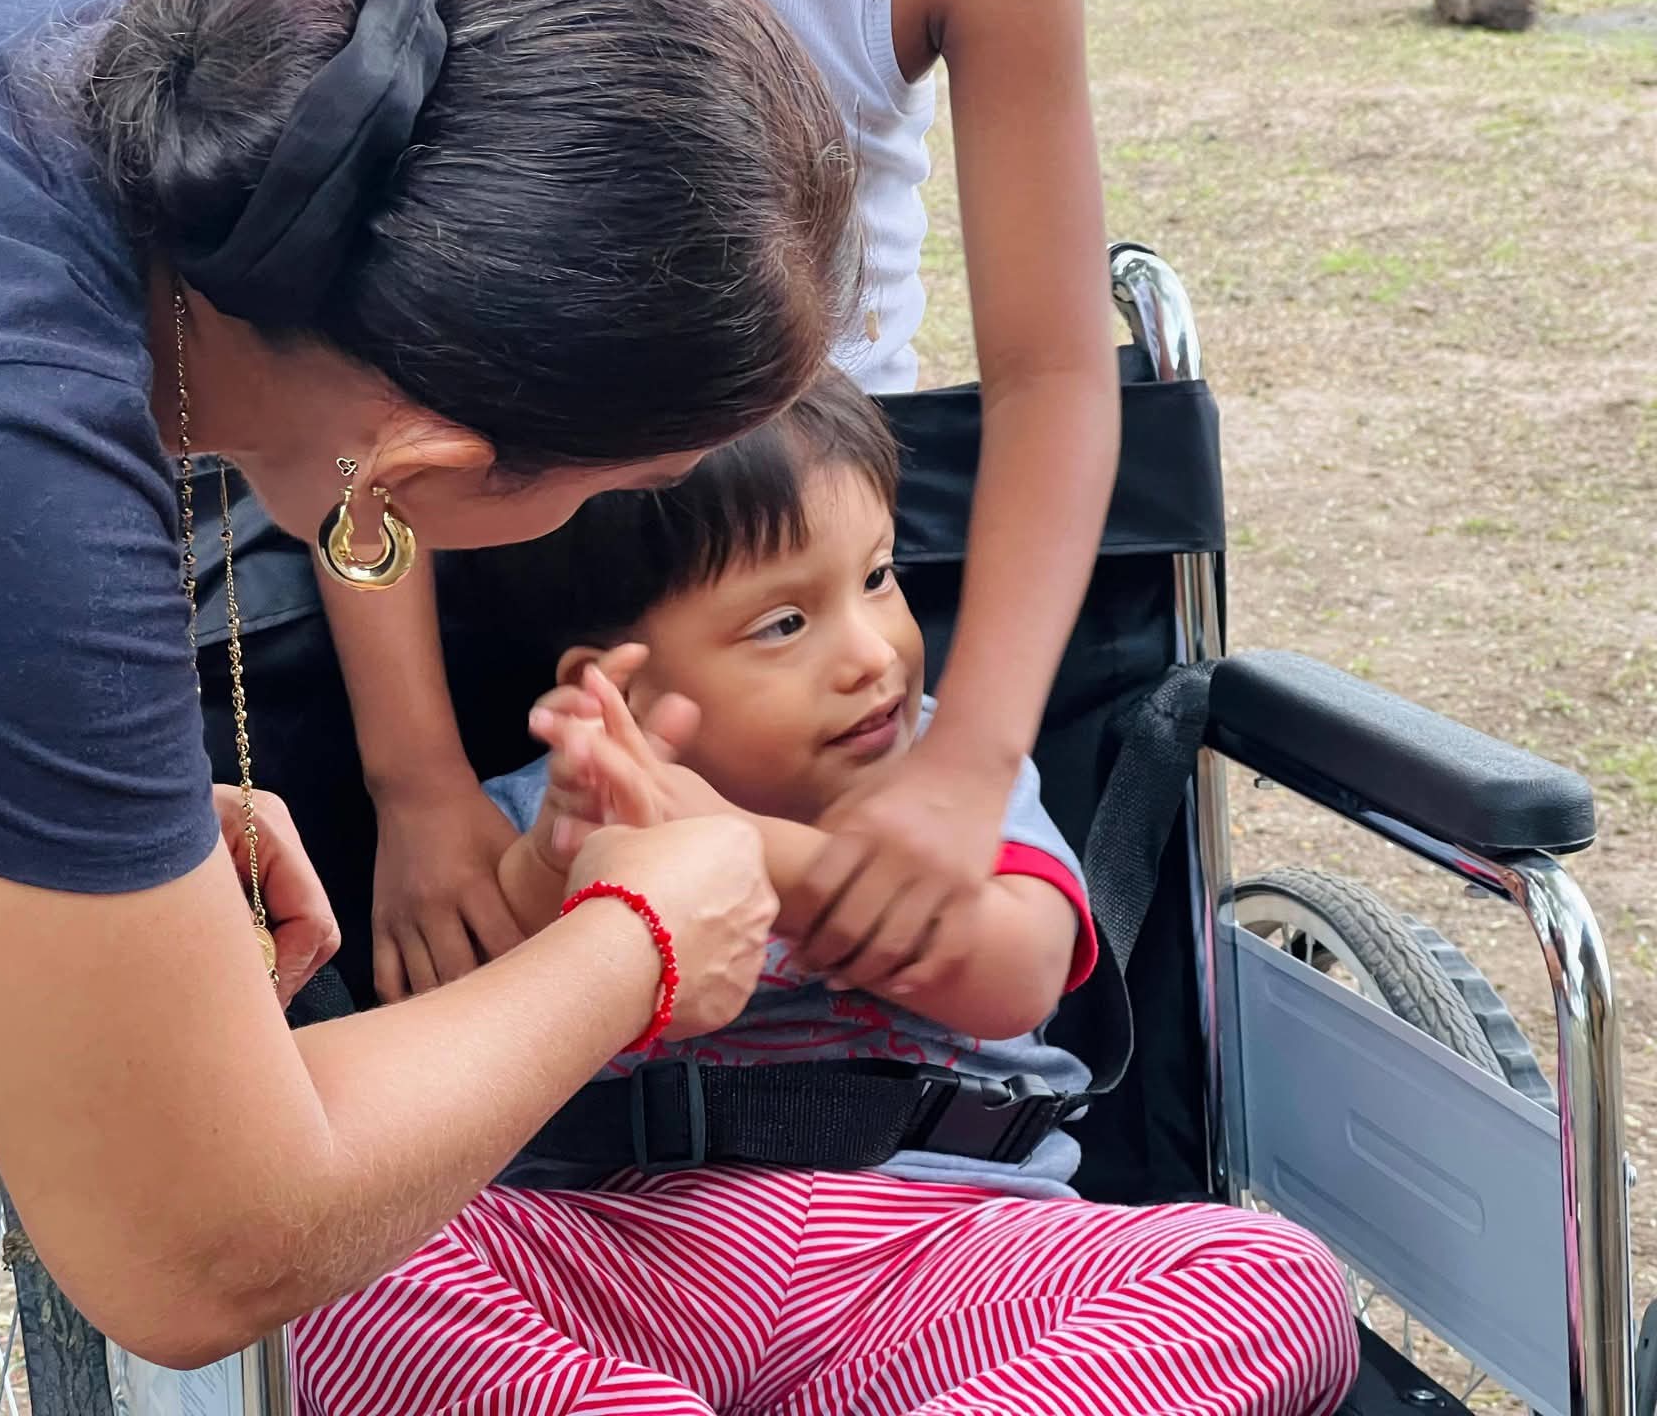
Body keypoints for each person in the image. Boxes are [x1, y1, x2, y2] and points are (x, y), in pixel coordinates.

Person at [0, 0, 864, 1367]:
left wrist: (70, 821)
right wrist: (641, 940)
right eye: (629, 488)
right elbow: (196, 1248)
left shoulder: (131, 64)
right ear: (414, 470)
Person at [287, 377, 1359, 1416]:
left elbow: (1016, 978)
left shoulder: (950, 780)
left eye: (879, 577)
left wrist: (745, 851)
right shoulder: (549, 813)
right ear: (621, 688)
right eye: (784, 625)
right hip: (612, 1252)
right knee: (319, 1279)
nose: (870, 653)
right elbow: (462, 1050)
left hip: (944, 1251)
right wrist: (549, 872)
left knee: (1270, 1280)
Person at [221, 0, 1120, 1014]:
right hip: (513, 481)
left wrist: (972, 760)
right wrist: (417, 782)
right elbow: (357, 374)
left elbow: (1052, 372)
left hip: (819, 473)